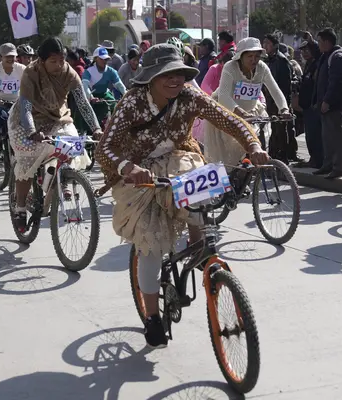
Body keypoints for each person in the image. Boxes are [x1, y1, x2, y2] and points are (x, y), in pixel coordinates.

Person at [96, 43, 266, 348]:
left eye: (178, 74)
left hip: (178, 158)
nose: (175, 80)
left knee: (200, 179)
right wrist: (127, 166)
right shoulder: (132, 102)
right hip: (139, 172)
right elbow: (104, 148)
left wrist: (253, 146)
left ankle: (198, 242)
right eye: (166, 75)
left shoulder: (189, 95)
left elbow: (227, 118)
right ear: (150, 78)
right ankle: (151, 316)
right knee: (150, 245)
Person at [7, 37, 103, 229]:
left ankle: (63, 179)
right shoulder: (31, 73)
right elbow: (25, 108)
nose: (59, 65)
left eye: (61, 60)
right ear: (42, 61)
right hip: (26, 121)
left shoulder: (69, 73)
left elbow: (83, 103)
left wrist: (96, 128)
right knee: (26, 163)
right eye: (53, 61)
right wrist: (33, 132)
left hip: (57, 119)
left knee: (72, 144)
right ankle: (19, 208)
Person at [209, 37, 290, 165]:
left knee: (257, 143)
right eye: (249, 56)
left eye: (257, 56)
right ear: (240, 56)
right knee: (228, 156)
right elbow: (224, 96)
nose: (254, 60)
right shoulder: (230, 67)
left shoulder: (262, 68)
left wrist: (284, 109)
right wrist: (240, 112)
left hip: (250, 111)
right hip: (226, 110)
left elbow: (275, 90)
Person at [313, 28, 342, 179]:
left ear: (327, 42)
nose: (318, 45)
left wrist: (327, 101)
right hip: (325, 105)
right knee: (327, 136)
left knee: (336, 136)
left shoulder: (337, 57)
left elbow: (336, 82)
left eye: (320, 41)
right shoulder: (327, 56)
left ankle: (339, 166)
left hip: (334, 105)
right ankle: (328, 164)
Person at [263, 34, 298, 163]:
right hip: (269, 101)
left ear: (275, 45)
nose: (265, 46)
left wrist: (284, 106)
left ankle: (284, 157)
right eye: (264, 43)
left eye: (267, 43)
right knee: (273, 129)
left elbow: (285, 86)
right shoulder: (268, 60)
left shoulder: (281, 61)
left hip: (279, 102)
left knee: (282, 130)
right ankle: (273, 154)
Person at [294, 40, 324, 169]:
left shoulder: (317, 64)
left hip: (314, 106)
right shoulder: (308, 65)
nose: (304, 53)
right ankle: (313, 159)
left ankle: (318, 160)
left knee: (315, 135)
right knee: (310, 135)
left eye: (307, 50)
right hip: (306, 106)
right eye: (302, 51)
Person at [0, 43, 25, 133]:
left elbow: (32, 84)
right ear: (1, 56)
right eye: (7, 56)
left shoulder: (22, 69)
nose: (10, 59)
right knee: (3, 126)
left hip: (17, 105)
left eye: (12, 56)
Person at [82, 46, 126, 123]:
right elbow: (85, 87)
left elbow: (119, 84)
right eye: (101, 59)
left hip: (105, 94)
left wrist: (125, 94)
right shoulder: (88, 71)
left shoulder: (111, 71)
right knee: (85, 112)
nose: (104, 61)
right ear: (95, 59)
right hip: (92, 97)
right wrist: (91, 97)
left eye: (106, 59)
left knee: (116, 109)